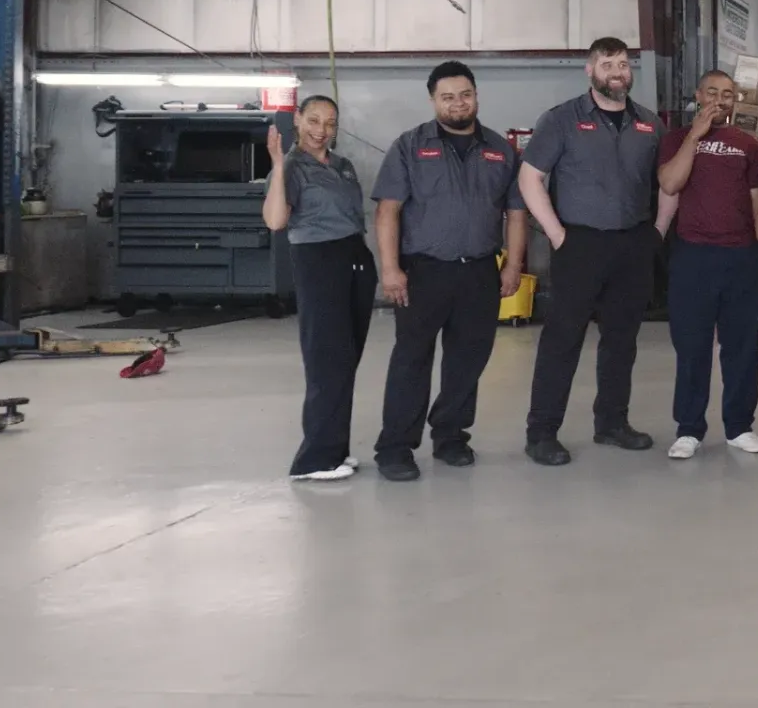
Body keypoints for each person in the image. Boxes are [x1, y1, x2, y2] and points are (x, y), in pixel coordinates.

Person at [370, 62, 527, 481]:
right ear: (433, 100)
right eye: (448, 97)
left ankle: (451, 436)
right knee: (411, 360)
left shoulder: (499, 149)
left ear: (476, 95)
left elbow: (515, 212)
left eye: (465, 94)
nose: (458, 104)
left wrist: (512, 264)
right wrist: (389, 269)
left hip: (479, 272)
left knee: (467, 361)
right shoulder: (409, 145)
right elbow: (388, 210)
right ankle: (396, 448)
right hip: (423, 272)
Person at [518, 36, 664, 466]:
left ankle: (612, 424)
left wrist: (656, 231)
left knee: (622, 340)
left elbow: (667, 183)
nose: (617, 72)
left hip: (632, 244)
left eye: (623, 64)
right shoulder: (561, 120)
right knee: (562, 340)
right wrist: (558, 235)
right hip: (579, 243)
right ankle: (541, 432)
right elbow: (530, 179)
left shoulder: (649, 125)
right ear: (590, 70)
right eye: (607, 64)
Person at [655, 69, 758, 460]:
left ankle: (740, 426)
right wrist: (694, 137)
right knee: (693, 346)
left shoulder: (747, 144)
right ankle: (689, 429)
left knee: (741, 347)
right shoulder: (674, 139)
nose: (720, 100)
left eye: (727, 94)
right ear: (698, 95)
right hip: (693, 256)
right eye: (712, 93)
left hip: (742, 257)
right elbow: (670, 184)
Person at [263, 96, 374, 482]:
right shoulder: (292, 166)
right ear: (297, 120)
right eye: (313, 120)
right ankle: (313, 460)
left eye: (329, 122)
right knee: (326, 361)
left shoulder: (342, 165)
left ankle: (335, 449)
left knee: (345, 360)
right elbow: (276, 221)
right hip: (318, 261)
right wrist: (278, 167)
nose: (321, 130)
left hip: (354, 258)